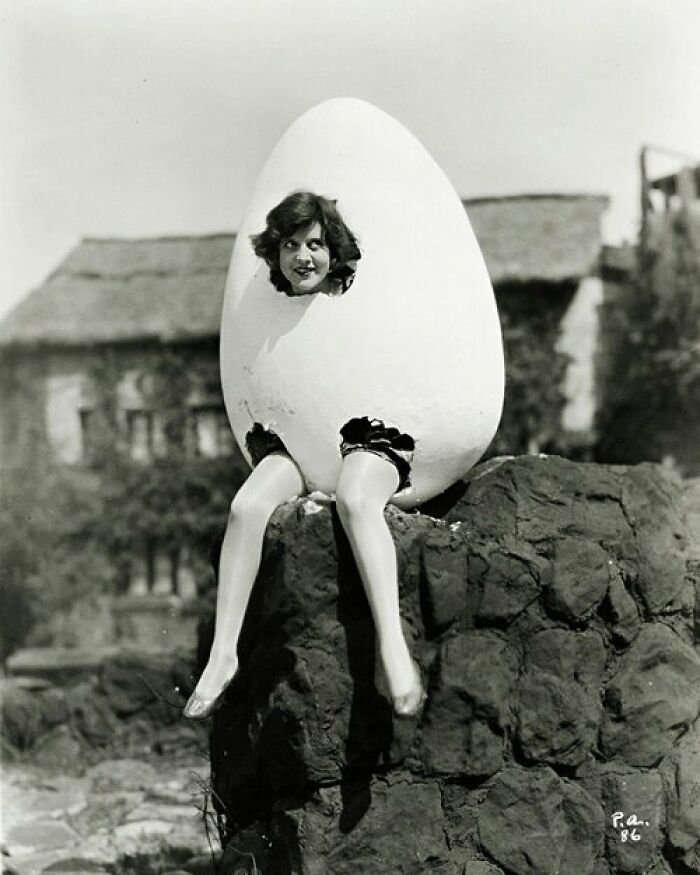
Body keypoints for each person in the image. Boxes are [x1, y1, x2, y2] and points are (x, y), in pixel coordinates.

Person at [183, 191, 425, 720]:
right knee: (246, 510)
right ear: (275, 252)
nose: (303, 257)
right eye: (290, 245)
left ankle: (394, 649)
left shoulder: (359, 303)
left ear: (333, 250)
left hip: (372, 437)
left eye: (315, 244)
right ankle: (224, 655)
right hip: (303, 444)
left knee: (358, 500)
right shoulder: (269, 313)